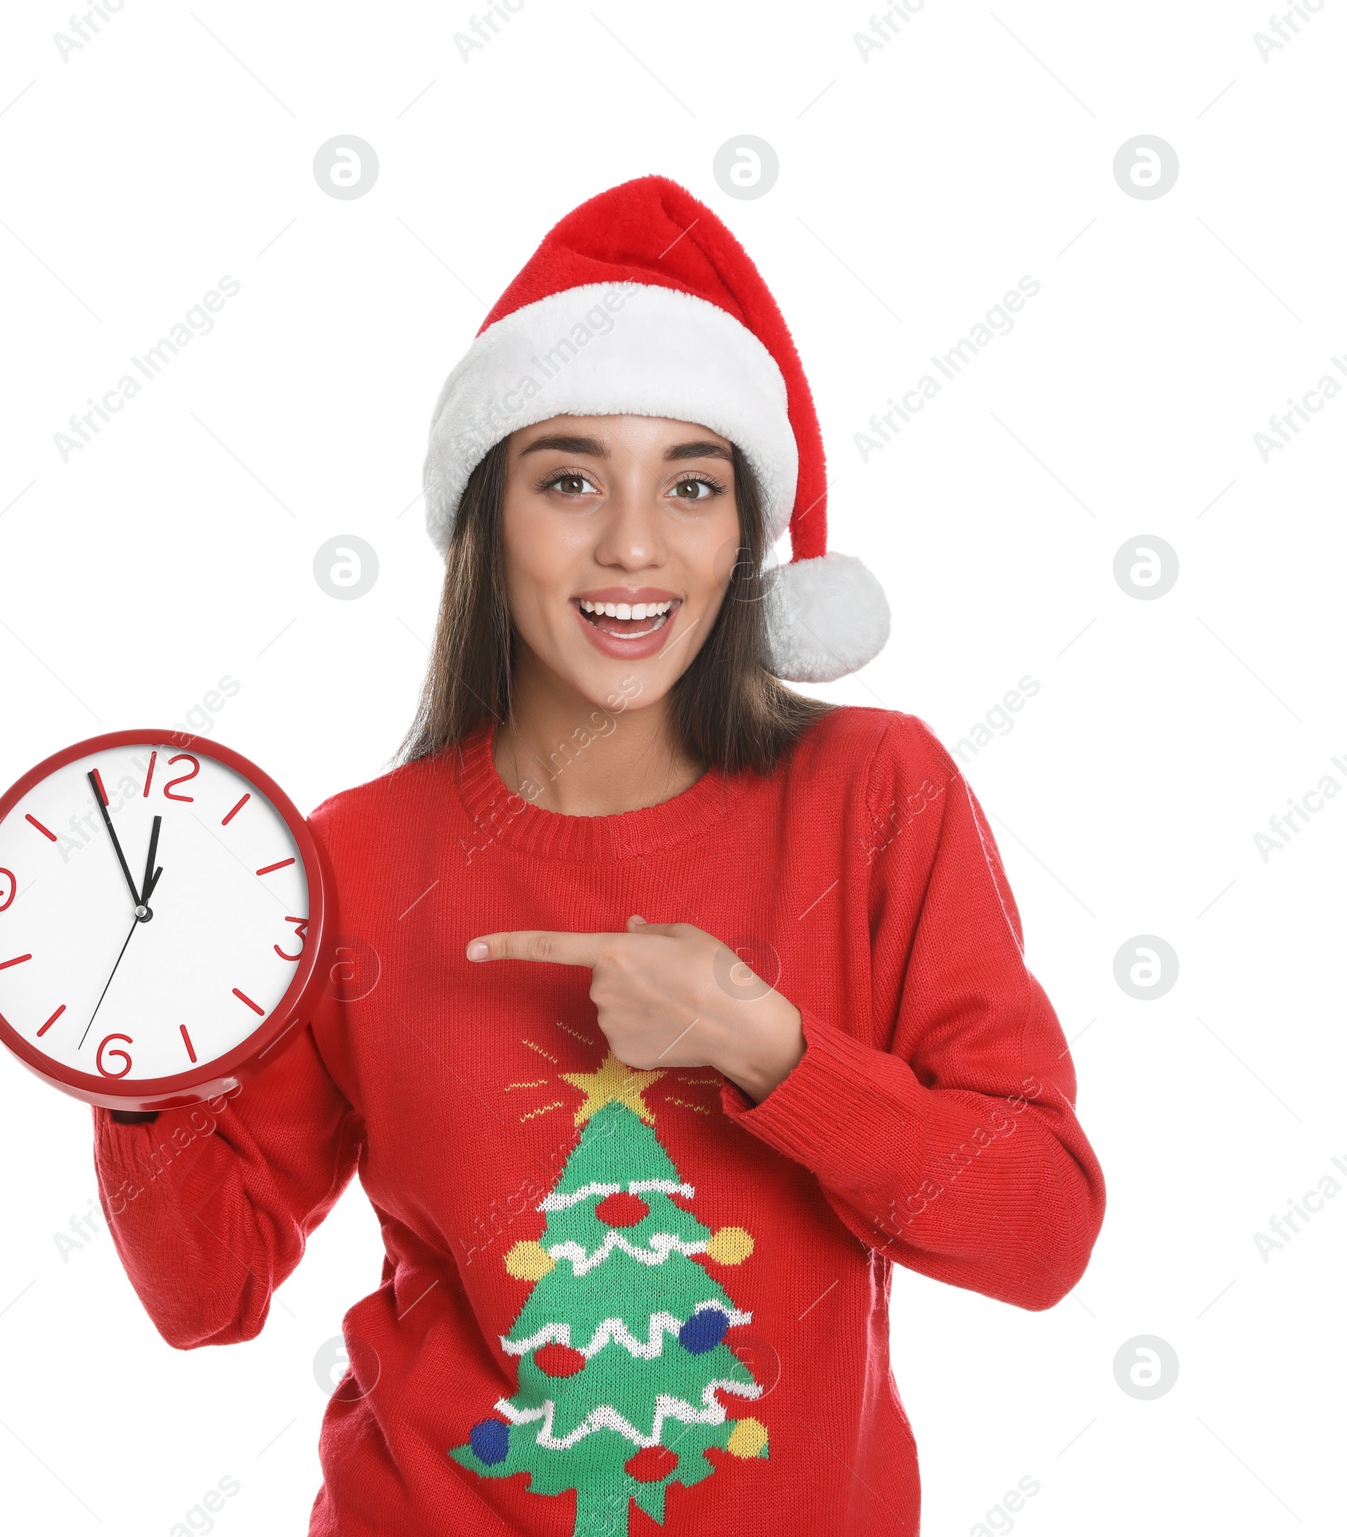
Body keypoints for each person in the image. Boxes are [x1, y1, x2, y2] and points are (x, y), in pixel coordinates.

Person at [94, 175, 1106, 1537]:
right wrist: (134, 1056)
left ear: (748, 531)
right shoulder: (354, 856)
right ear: (485, 523)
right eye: (568, 478)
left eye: (692, 483)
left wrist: (772, 1048)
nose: (633, 543)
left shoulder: (877, 792)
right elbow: (208, 1294)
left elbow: (1039, 1233)